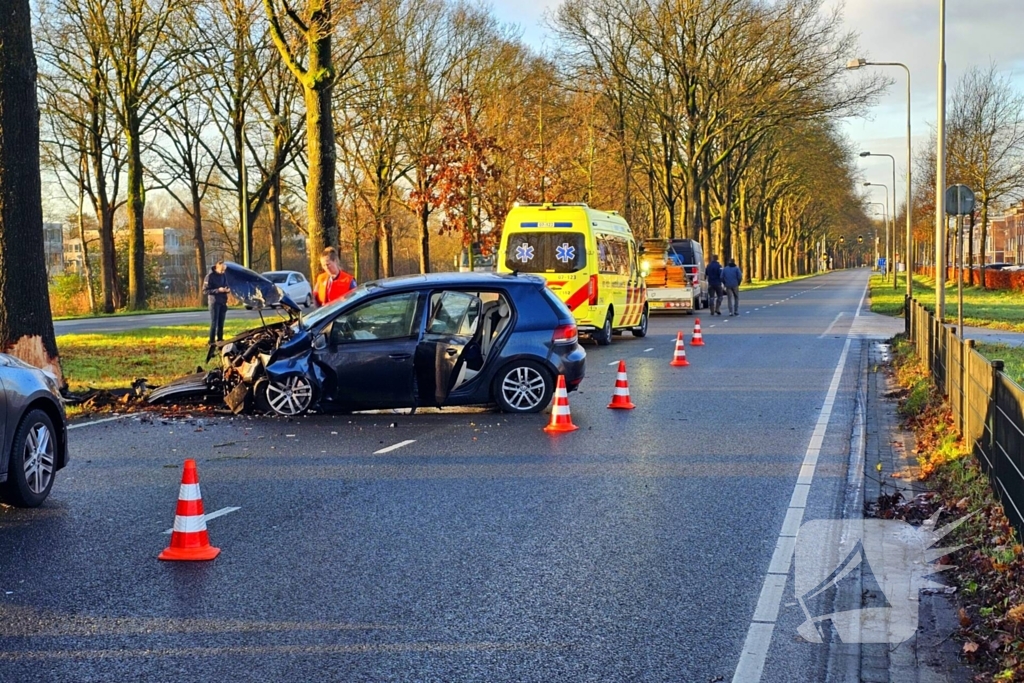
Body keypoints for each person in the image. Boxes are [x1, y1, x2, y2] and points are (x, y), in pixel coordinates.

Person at [202, 259, 230, 345]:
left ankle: (220, 339)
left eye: (224, 270)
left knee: (221, 321)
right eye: (221, 270)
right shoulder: (209, 276)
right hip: (214, 302)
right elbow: (205, 291)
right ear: (217, 267)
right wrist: (218, 290)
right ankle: (211, 341)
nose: (222, 272)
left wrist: (227, 289)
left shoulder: (224, 275)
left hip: (223, 301)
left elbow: (226, 284)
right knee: (214, 322)